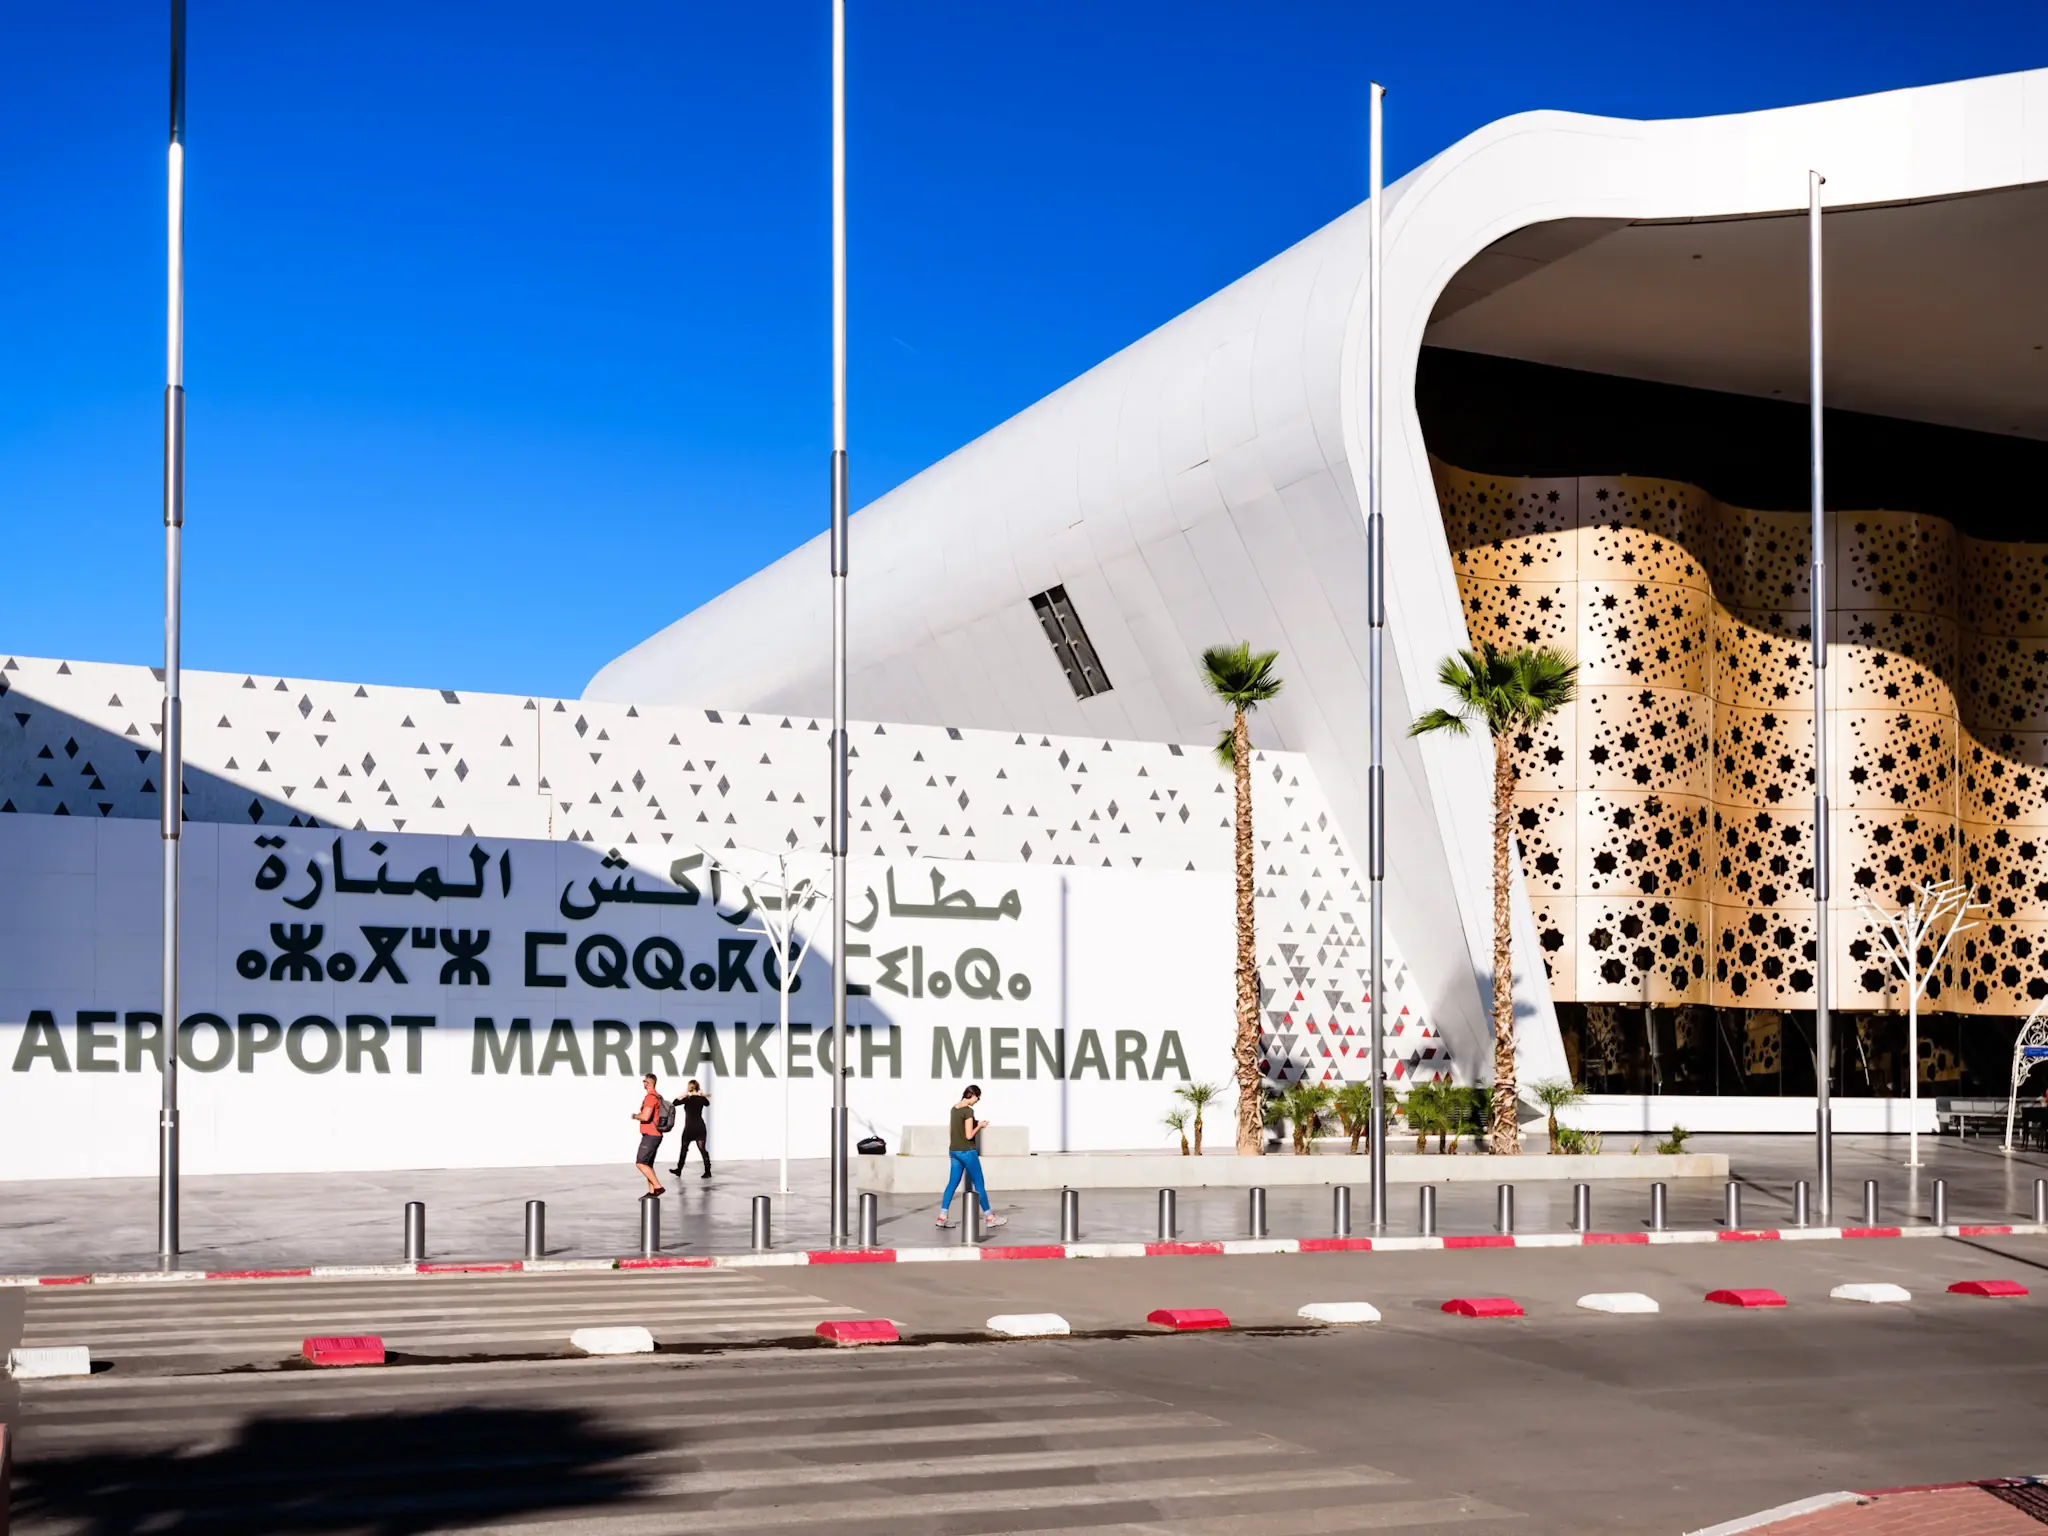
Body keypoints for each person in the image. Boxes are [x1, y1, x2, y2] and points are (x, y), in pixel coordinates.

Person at [936, 1084, 1007, 1229]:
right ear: (972, 1095)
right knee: (979, 1184)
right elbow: (969, 1135)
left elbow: (952, 1130)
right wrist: (979, 1126)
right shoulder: (968, 1111)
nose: (977, 1101)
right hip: (968, 1152)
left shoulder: (954, 1109)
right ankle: (989, 1217)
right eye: (977, 1098)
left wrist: (973, 1124)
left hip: (954, 1151)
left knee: (952, 1184)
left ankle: (942, 1216)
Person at [631, 1073, 666, 1195]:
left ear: (648, 1083)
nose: (643, 1083)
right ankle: (652, 1192)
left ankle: (658, 1187)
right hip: (655, 1135)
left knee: (640, 1163)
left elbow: (645, 1117)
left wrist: (635, 1116)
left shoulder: (650, 1098)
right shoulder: (658, 1096)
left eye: (644, 1081)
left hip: (651, 1135)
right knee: (648, 1165)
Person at [668, 1079, 711, 1179]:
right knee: (702, 1150)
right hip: (700, 1127)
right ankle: (708, 1172)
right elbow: (707, 1103)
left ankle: (679, 1170)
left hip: (689, 1128)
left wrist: (684, 1094)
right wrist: (702, 1095)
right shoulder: (701, 1099)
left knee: (684, 1149)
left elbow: (674, 1102)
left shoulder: (687, 1098)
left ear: (689, 1087)